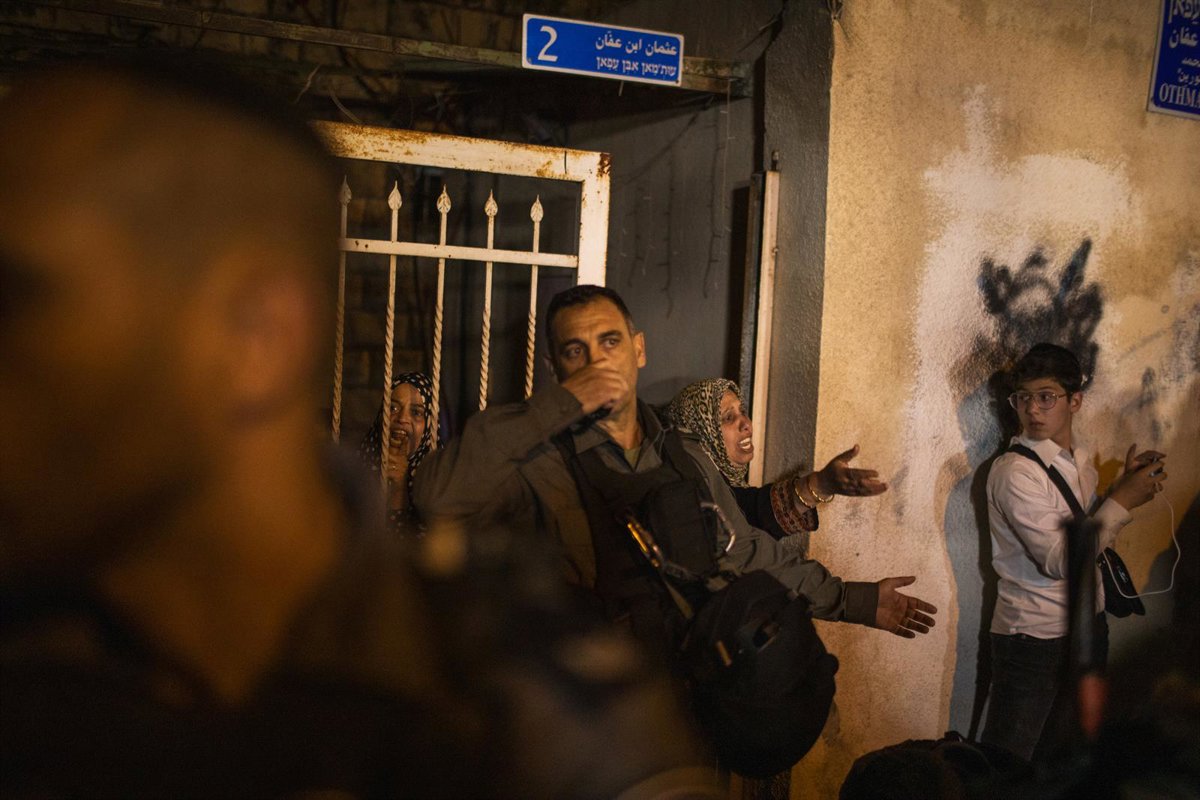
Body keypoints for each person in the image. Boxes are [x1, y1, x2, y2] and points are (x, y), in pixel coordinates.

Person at [0, 58, 719, 799]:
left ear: (258, 334)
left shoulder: (535, 721)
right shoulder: (36, 684)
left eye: (16, 303)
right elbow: (445, 492)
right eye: (575, 351)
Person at [413, 284, 937, 639]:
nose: (597, 362)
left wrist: (853, 600)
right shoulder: (537, 463)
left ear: (638, 350)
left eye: (610, 342)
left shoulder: (682, 451)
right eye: (576, 351)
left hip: (678, 693)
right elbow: (437, 496)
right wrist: (561, 405)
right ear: (555, 369)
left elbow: (745, 552)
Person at [979, 343, 1167, 763]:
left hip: (1088, 626)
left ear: (1075, 401)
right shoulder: (1014, 471)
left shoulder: (1078, 460)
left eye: (1046, 396)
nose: (1032, 409)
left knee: (1068, 759)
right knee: (1009, 764)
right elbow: (1062, 560)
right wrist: (1122, 500)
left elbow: (1089, 531)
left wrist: (1122, 487)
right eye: (1023, 398)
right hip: (1034, 638)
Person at [665, 378, 887, 546]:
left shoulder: (728, 485)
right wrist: (820, 484)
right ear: (702, 431)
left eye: (742, 411)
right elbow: (747, 511)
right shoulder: (696, 498)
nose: (746, 424)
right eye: (728, 418)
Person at [358, 372, 434, 533]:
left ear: (429, 425)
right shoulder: (358, 467)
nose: (402, 418)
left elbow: (408, 542)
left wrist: (399, 487)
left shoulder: (438, 481)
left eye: (416, 412)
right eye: (393, 408)